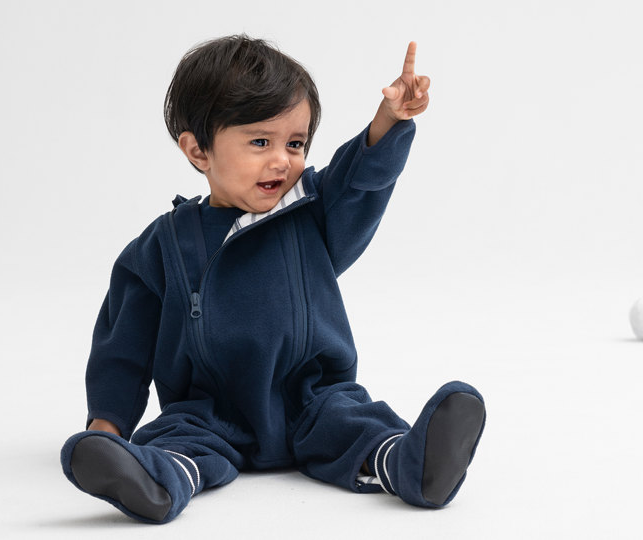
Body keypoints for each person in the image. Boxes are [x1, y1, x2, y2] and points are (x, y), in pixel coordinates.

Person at [60, 34, 486, 524]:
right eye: (260, 142)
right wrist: (108, 425)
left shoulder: (314, 209)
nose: (282, 160)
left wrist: (389, 121)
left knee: (359, 425)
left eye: (295, 143)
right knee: (177, 440)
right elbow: (123, 343)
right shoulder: (163, 245)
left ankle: (413, 464)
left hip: (314, 398)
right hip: (210, 409)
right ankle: (155, 480)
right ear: (198, 150)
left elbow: (359, 181)